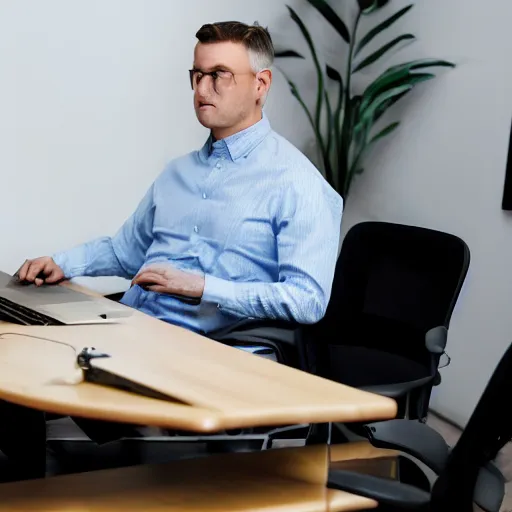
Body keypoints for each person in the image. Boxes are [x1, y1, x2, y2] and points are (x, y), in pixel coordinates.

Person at [0, 21, 343, 480]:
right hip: (136, 332)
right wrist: (61, 263)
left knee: (25, 381)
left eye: (220, 74)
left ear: (261, 85)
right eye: (197, 75)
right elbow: (126, 252)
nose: (203, 87)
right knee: (16, 354)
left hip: (208, 351)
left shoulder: (298, 186)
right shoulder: (177, 173)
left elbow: (308, 300)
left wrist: (202, 287)